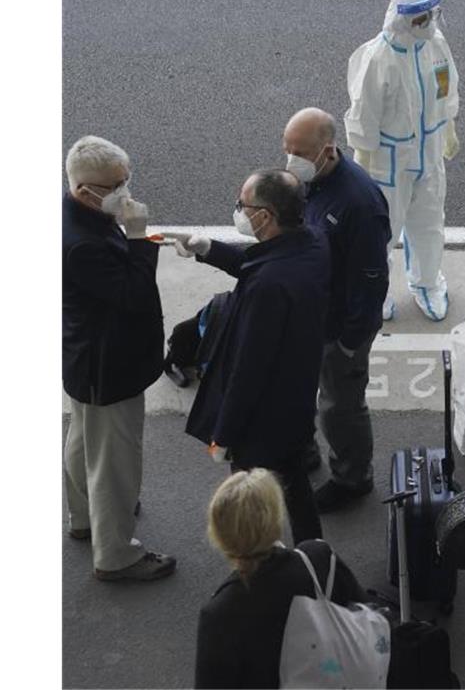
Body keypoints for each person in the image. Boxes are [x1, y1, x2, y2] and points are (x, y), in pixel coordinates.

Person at [174, 169, 330, 544]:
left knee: (250, 502)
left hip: (261, 419)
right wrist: (208, 248)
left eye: (243, 205)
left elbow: (248, 367)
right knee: (294, 481)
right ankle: (314, 553)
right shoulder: (311, 244)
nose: (240, 211)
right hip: (296, 398)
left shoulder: (267, 288)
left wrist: (223, 435)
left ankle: (259, 565)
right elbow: (259, 260)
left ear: (265, 216)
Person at [62, 135, 176, 582]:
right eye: (114, 185)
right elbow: (131, 295)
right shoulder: (83, 244)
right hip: (110, 364)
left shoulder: (71, 216)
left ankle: (85, 518)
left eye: (125, 179)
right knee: (116, 460)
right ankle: (116, 554)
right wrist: (138, 238)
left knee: (83, 438)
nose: (124, 191)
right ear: (84, 189)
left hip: (84, 359)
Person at [282, 108, 392, 512]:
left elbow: (371, 279)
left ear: (327, 151)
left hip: (340, 327)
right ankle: (306, 451)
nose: (290, 160)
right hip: (312, 315)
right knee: (302, 388)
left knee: (340, 405)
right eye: (287, 149)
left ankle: (352, 477)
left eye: (299, 152)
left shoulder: (358, 203)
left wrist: (350, 341)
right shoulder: (311, 180)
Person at [345, 0, 459, 322]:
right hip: (388, 160)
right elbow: (363, 111)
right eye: (420, 18)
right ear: (401, 18)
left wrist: (448, 125)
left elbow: (447, 85)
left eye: (430, 15)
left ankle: (426, 282)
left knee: (429, 222)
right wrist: (362, 156)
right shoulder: (379, 58)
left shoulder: (435, 44)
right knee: (382, 230)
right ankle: (372, 291)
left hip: (429, 152)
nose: (428, 24)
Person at [195, 469, 369, 689]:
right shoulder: (318, 559)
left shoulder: (219, 612)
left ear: (220, 534)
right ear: (275, 518)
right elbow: (365, 615)